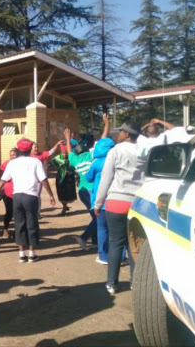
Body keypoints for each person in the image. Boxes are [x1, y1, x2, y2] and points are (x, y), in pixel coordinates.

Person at [94, 120, 146, 295]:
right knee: (134, 245)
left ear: (127, 134)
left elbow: (106, 179)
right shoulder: (143, 151)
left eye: (122, 131)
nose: (119, 133)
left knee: (115, 243)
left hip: (116, 202)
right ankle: (135, 282)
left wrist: (98, 203)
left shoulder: (115, 151)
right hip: (137, 203)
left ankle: (112, 284)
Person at [0, 138, 56, 263]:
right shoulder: (35, 161)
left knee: (19, 224)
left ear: (19, 149)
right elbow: (43, 179)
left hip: (17, 197)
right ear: (30, 148)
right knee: (32, 224)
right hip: (31, 196)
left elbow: (3, 179)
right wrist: (51, 195)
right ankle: (32, 253)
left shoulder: (12, 163)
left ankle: (21, 254)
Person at [66, 114, 110, 251]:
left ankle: (95, 241)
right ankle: (84, 237)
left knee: (94, 216)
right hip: (93, 191)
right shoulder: (91, 156)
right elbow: (103, 140)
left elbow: (69, 152)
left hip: (82, 191)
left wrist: (67, 138)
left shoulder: (75, 160)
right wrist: (106, 124)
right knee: (98, 217)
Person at [85, 135, 115, 265]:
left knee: (102, 228)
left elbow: (88, 178)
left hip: (101, 200)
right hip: (116, 199)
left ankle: (103, 255)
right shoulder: (116, 159)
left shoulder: (96, 163)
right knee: (118, 231)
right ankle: (121, 255)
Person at [49, 144, 76, 216]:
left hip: (69, 179)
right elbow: (51, 164)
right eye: (63, 153)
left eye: (66, 153)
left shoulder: (72, 158)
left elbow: (75, 166)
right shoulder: (58, 158)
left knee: (68, 194)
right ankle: (64, 207)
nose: (65, 154)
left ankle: (64, 206)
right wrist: (58, 167)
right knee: (61, 194)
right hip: (60, 178)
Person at [0, 148, 19, 239]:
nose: (12, 157)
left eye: (14, 155)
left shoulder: (21, 164)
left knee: (18, 213)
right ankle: (5, 230)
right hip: (8, 192)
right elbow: (1, 176)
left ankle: (17, 231)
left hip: (19, 191)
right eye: (11, 155)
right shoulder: (6, 164)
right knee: (9, 212)